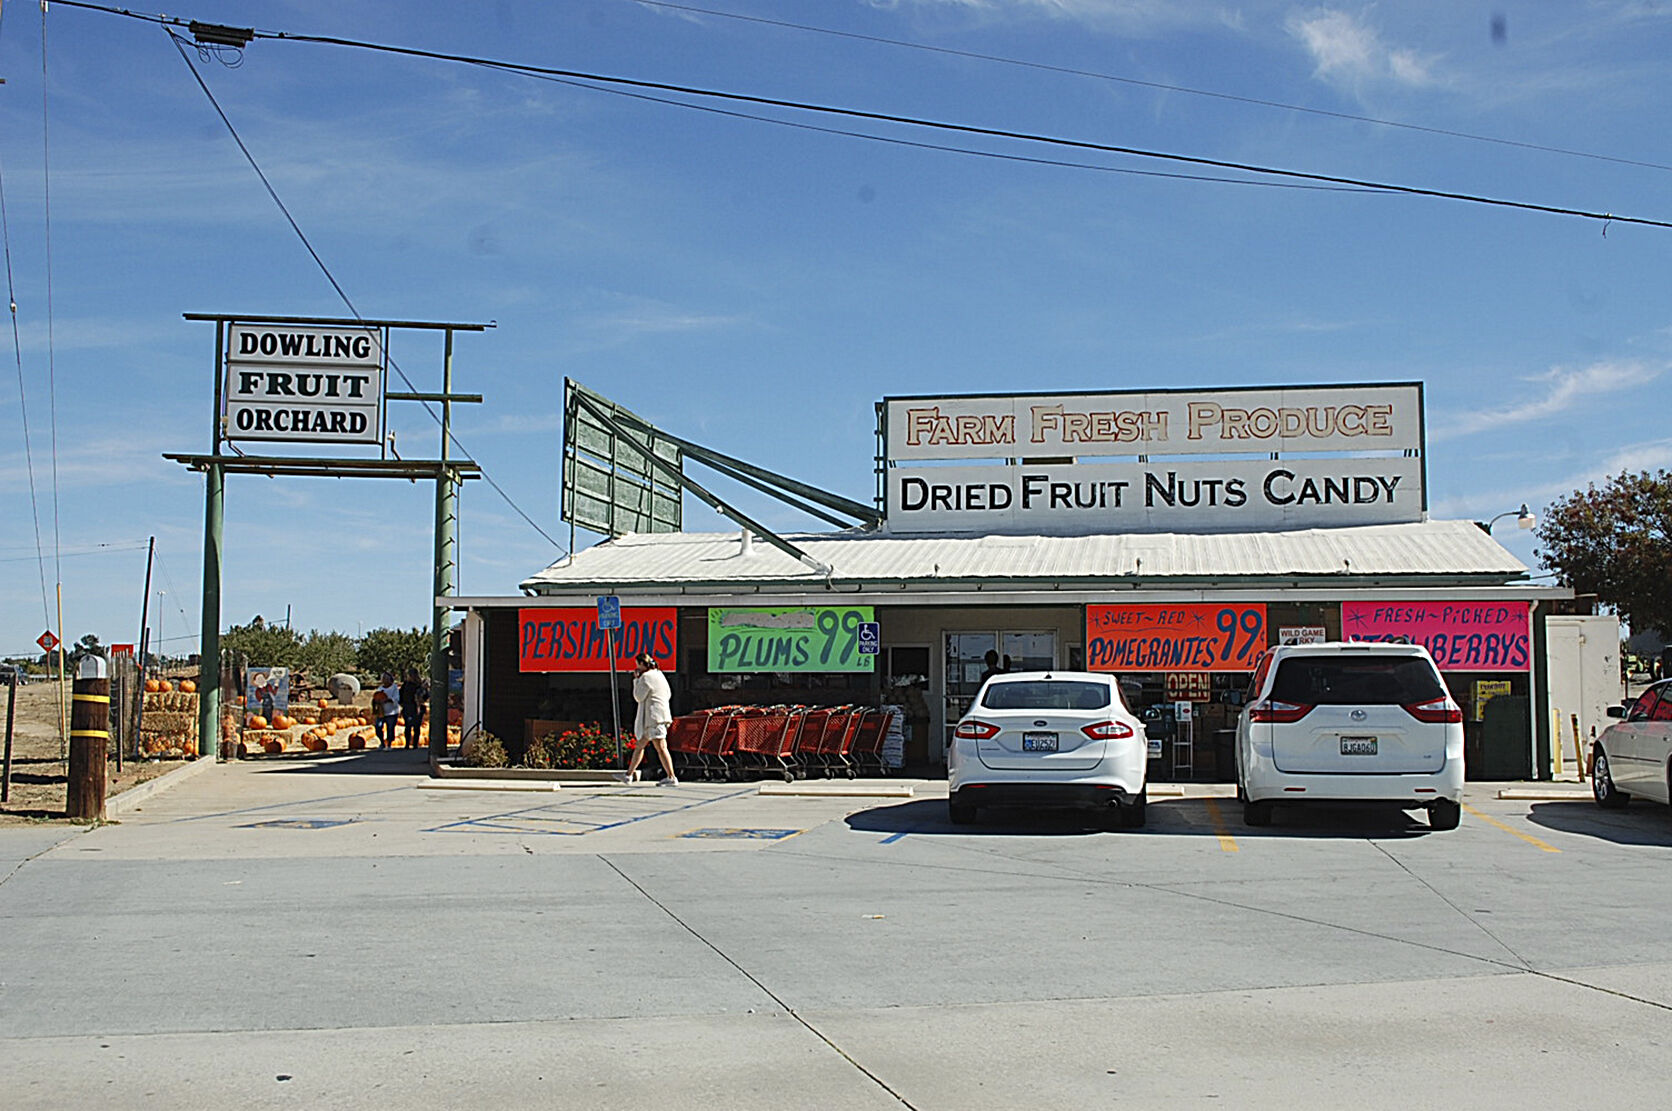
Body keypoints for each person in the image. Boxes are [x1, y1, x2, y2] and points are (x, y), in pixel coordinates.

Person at [621, 654, 676, 785]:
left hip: (653, 718)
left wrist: (636, 681)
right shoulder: (659, 675)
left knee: (661, 747)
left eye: (637, 664)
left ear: (641, 664)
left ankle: (671, 776)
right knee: (640, 745)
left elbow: (639, 697)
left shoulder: (646, 677)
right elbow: (668, 693)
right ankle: (628, 774)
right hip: (659, 716)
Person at [399, 668, 429, 751]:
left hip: (417, 707)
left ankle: (415, 744)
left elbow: (426, 696)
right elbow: (401, 695)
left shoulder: (420, 685)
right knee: (408, 726)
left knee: (416, 726)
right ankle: (408, 744)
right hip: (408, 707)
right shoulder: (406, 685)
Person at [374, 672, 401, 747]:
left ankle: (389, 744)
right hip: (381, 712)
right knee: (378, 727)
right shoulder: (380, 689)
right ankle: (382, 742)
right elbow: (376, 698)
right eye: (383, 679)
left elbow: (396, 699)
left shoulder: (394, 688)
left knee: (390, 728)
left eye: (386, 678)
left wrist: (387, 700)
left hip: (392, 712)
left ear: (390, 679)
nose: (384, 680)